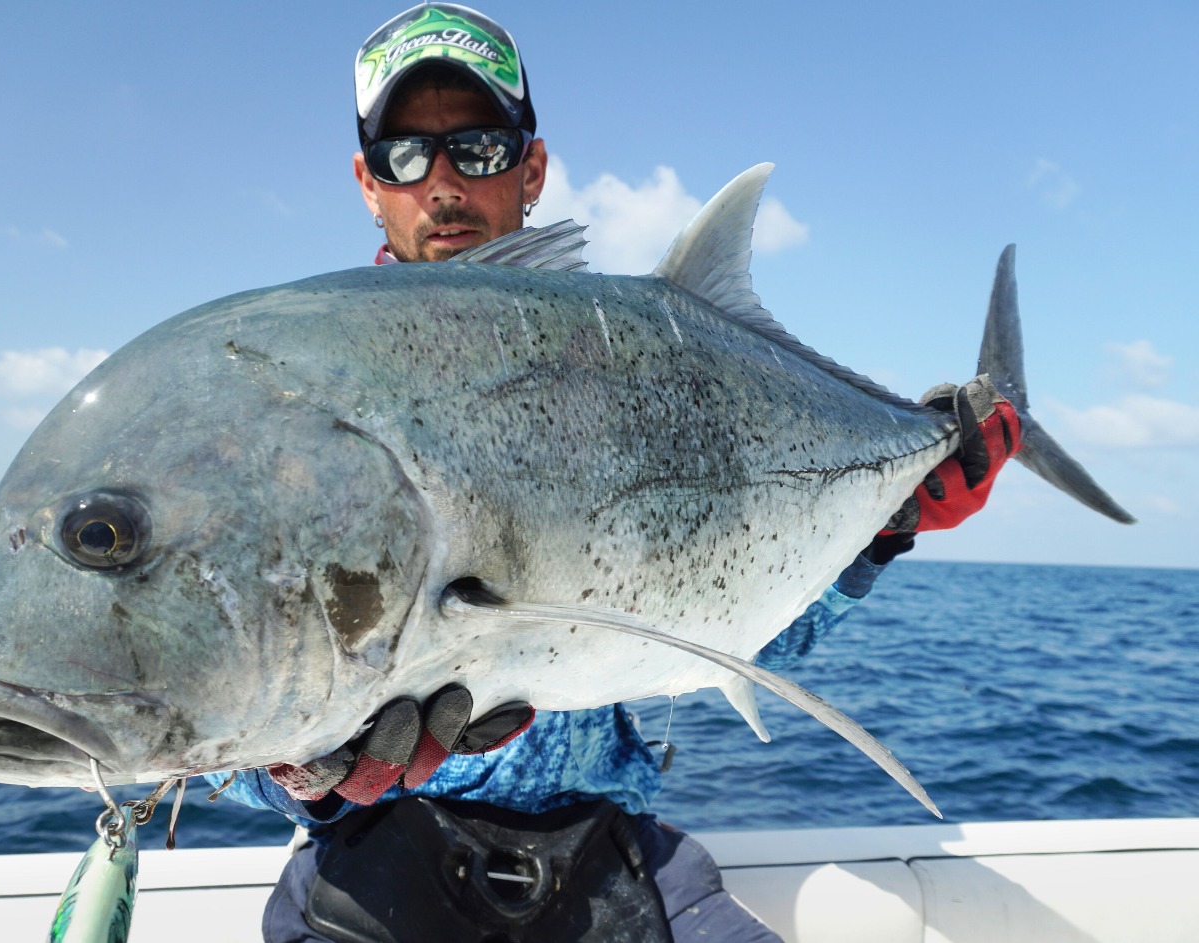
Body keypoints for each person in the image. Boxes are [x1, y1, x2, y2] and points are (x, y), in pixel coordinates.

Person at [208, 6, 1021, 942]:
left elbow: (736, 634)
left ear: (531, 169)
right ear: (367, 182)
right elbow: (208, 711)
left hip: (608, 857)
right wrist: (297, 769)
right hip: (369, 867)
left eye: (477, 148)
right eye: (405, 155)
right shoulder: (298, 400)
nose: (442, 184)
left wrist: (881, 532)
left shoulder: (635, 366)